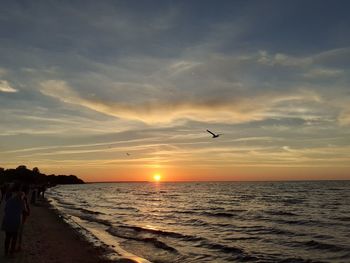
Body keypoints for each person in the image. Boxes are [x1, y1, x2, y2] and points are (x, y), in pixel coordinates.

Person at [1, 184, 27, 257]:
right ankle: (11, 253)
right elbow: (25, 211)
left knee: (7, 237)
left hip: (7, 220)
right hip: (15, 221)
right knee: (14, 238)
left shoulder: (9, 200)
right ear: (22, 196)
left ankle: (6, 252)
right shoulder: (22, 202)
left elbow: (5, 210)